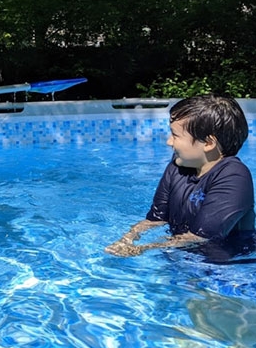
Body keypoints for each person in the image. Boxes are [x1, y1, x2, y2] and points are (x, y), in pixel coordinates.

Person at [106, 95, 255, 258]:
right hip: (183, 256)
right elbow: (155, 219)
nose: (169, 142)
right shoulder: (179, 166)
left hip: (228, 267)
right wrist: (127, 239)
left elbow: (200, 237)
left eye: (175, 135)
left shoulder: (233, 176)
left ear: (208, 143)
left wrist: (142, 249)